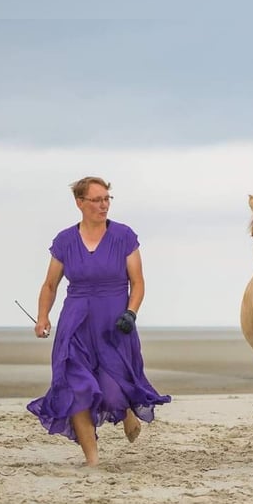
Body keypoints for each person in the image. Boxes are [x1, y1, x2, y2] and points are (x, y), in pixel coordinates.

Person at [27, 176, 171, 466]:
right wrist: (43, 317)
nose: (104, 205)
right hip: (75, 325)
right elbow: (50, 285)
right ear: (80, 203)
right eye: (97, 199)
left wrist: (131, 313)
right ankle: (92, 459)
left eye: (107, 199)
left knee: (112, 388)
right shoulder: (65, 241)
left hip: (115, 326)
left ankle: (128, 409)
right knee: (77, 389)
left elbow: (138, 282)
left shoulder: (123, 236)